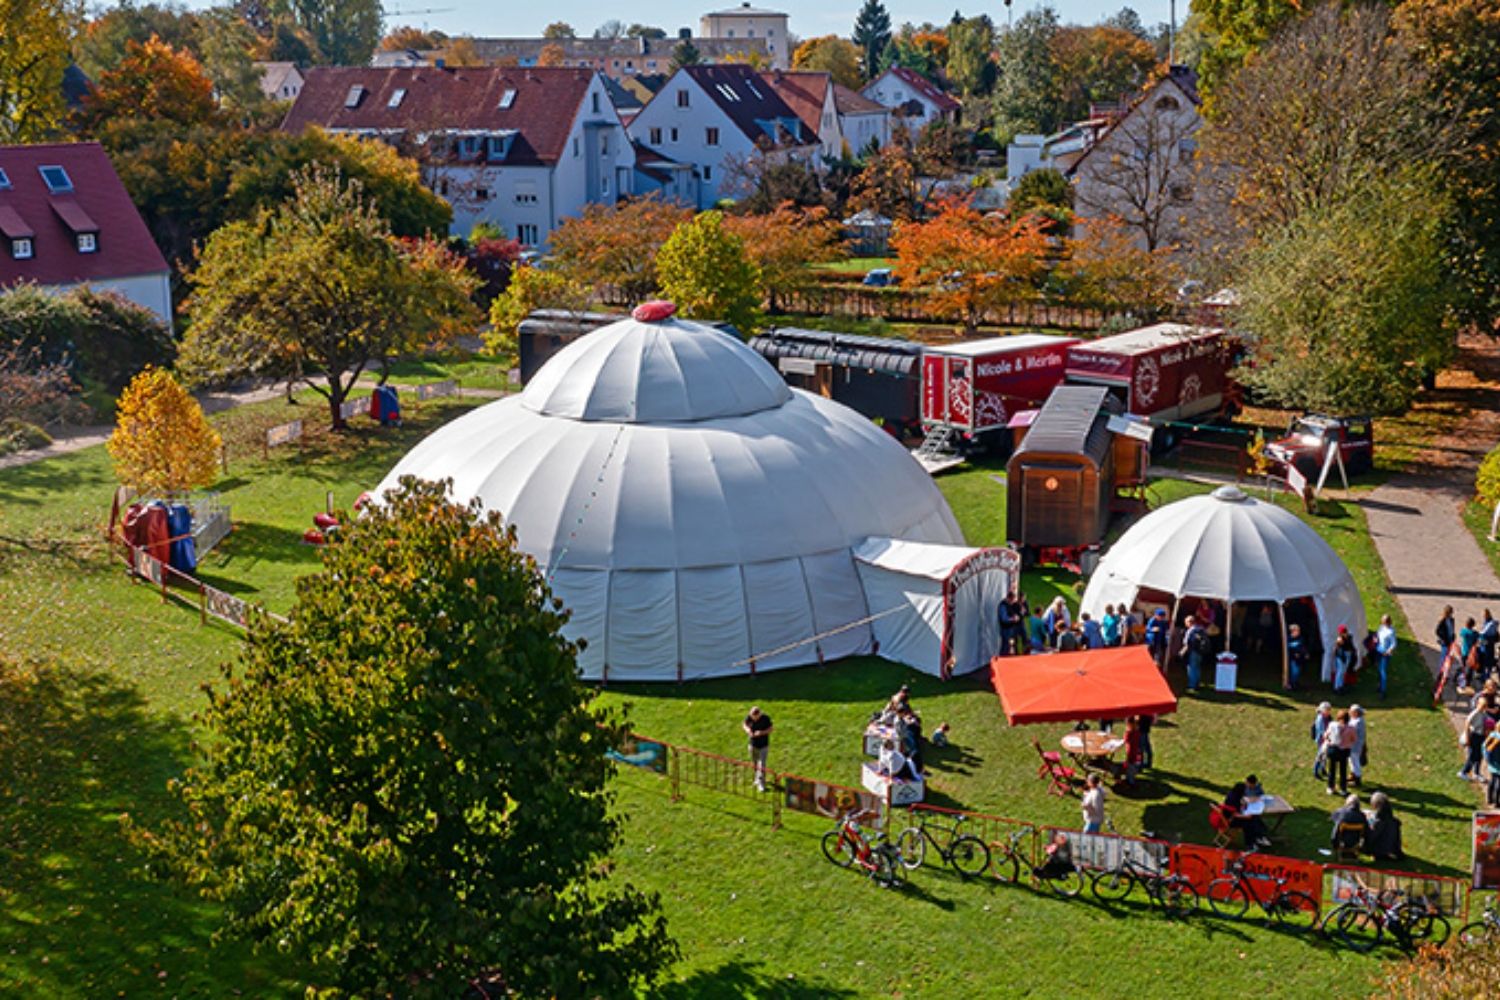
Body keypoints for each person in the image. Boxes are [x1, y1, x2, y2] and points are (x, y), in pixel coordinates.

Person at [1223, 782, 1271, 849]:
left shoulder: (1234, 795)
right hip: (1231, 819)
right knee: (1248, 823)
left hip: (1236, 814)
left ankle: (1260, 836)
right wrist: (1246, 816)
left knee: (1255, 816)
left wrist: (1244, 806)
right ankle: (1250, 844)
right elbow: (1234, 814)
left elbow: (1240, 805)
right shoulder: (1232, 800)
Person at [1364, 792, 1404, 862]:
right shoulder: (1394, 821)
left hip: (1379, 850)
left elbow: (1371, 837)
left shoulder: (1379, 823)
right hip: (1390, 848)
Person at [1324, 709, 1356, 795]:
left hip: (1333, 749)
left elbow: (1326, 735)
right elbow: (1353, 739)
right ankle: (1343, 789)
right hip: (1344, 751)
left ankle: (1331, 787)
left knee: (1332, 770)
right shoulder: (1351, 728)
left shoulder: (1332, 725)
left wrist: (1329, 742)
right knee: (1343, 770)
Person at [743, 706, 773, 792]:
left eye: (755, 717)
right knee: (754, 763)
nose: (754, 719)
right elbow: (744, 724)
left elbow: (771, 729)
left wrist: (761, 733)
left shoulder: (765, 719)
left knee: (762, 765)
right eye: (753, 717)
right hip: (752, 745)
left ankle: (761, 784)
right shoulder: (749, 717)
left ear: (759, 714)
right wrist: (748, 730)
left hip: (763, 745)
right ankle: (757, 779)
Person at [1461, 702, 1490, 780]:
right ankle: (1464, 772)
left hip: (1481, 736)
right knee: (1472, 755)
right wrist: (1467, 738)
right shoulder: (1474, 713)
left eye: (1485, 705)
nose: (1484, 707)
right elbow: (1467, 725)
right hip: (1474, 736)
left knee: (1479, 755)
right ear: (1478, 704)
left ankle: (1476, 773)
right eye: (1482, 705)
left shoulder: (1483, 713)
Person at [1180, 615, 1208, 691]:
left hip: (1193, 651)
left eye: (1186, 622)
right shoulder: (1200, 629)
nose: (1185, 624)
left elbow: (1188, 642)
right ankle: (1197, 683)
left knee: (1191, 668)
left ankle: (1192, 685)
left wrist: (1183, 651)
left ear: (1189, 622)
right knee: (1197, 667)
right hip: (1200, 651)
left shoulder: (1191, 631)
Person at [1374, 614, 1397, 699]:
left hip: (1384, 653)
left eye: (1384, 622)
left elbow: (1394, 643)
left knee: (1383, 671)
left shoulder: (1391, 632)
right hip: (1378, 650)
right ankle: (1379, 685)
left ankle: (1383, 691)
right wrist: (1376, 639)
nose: (1383, 623)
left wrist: (1388, 651)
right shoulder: (1381, 628)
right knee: (1379, 669)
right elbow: (1378, 635)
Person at [999, 591, 1025, 656]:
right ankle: (1003, 659)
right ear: (1009, 598)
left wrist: (1015, 616)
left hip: (1010, 628)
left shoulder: (1008, 605)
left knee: (1011, 645)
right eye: (1012, 600)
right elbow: (1004, 619)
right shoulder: (1003, 606)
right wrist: (1013, 619)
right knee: (1006, 646)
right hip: (1006, 629)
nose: (1013, 602)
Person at [1332, 627, 1358, 693]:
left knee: (1343, 671)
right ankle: (1337, 687)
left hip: (1347, 655)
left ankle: (1341, 685)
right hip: (1341, 656)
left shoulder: (1349, 638)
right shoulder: (1340, 639)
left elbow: (1351, 647)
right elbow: (1338, 650)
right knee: (1340, 671)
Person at [1286, 623, 1311, 691]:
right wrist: (1294, 653)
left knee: (1298, 671)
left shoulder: (1300, 639)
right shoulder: (1289, 639)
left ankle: (1296, 683)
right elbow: (1289, 649)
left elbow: (1303, 647)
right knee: (1294, 671)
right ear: (1293, 631)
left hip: (1299, 658)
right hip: (1293, 658)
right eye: (1297, 631)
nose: (1298, 632)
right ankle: (1292, 684)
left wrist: (1305, 653)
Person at [1312, 702, 1334, 780]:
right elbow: (1322, 731)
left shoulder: (1328, 717)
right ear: (1323, 711)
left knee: (1325, 756)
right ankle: (1315, 771)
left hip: (1327, 739)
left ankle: (1323, 769)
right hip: (1322, 740)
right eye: (1327, 710)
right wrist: (1327, 737)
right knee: (1320, 755)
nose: (1329, 711)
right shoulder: (1320, 718)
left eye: (1329, 709)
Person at [1121, 716, 1144, 785]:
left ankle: (1131, 781)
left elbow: (1126, 740)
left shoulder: (1129, 732)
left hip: (1130, 750)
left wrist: (1126, 732)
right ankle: (1131, 778)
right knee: (1133, 764)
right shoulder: (1137, 731)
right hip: (1135, 750)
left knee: (1130, 765)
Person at [1349, 705, 1368, 787]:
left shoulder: (1358, 722)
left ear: (1355, 713)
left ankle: (1357, 779)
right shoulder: (1355, 720)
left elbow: (1352, 731)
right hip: (1352, 745)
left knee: (1355, 762)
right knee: (1351, 761)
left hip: (1355, 746)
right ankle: (1353, 775)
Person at [1460, 617, 1481, 689]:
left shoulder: (1463, 631)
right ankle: (1468, 682)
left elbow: (1461, 633)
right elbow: (1480, 638)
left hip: (1464, 652)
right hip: (1471, 653)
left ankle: (1461, 679)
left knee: (1463, 666)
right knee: (1470, 668)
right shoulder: (1474, 633)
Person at [1480, 609, 1499, 684]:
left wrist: (1481, 640)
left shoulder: (1490, 623)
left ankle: (1486, 676)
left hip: (1487, 645)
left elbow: (1484, 634)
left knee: (1487, 661)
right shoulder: (1490, 622)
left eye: (1484, 615)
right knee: (1487, 661)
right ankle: (1485, 675)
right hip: (1488, 645)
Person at [1486, 729, 1500, 808]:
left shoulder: (1492, 735)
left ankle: (1489, 799)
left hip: (1492, 764)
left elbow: (1484, 746)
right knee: (1498, 784)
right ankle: (1496, 802)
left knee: (1492, 780)